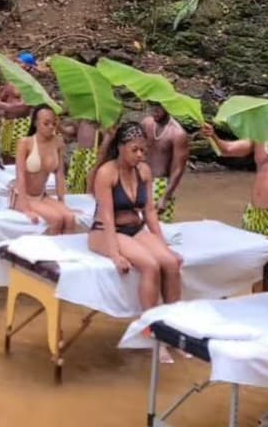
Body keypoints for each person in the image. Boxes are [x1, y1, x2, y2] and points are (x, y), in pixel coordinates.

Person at [88, 122, 183, 362]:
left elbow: (149, 212)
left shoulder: (144, 171)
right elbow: (107, 217)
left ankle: (174, 329)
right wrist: (115, 254)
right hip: (105, 231)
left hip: (135, 227)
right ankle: (152, 332)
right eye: (135, 150)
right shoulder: (106, 173)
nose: (140, 155)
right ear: (121, 147)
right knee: (150, 266)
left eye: (143, 150)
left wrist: (163, 245)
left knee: (170, 262)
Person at [201, 122, 268, 288]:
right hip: (254, 212)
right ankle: (258, 310)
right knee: (255, 271)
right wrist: (213, 135)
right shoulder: (259, 138)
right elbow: (227, 150)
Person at [12, 106, 78, 234]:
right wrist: (25, 207)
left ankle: (66, 251)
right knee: (56, 219)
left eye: (53, 123)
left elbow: (59, 174)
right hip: (22, 195)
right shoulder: (25, 143)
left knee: (70, 218)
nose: (51, 127)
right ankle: (50, 253)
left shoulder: (58, 142)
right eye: (46, 123)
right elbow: (20, 174)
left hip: (41, 195)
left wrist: (61, 201)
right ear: (36, 123)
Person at [141, 104, 190, 223]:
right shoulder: (146, 124)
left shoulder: (178, 134)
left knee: (159, 228)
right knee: (136, 226)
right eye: (152, 107)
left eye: (158, 108)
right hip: (140, 179)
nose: (154, 111)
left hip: (160, 185)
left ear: (168, 106)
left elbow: (178, 169)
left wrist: (165, 197)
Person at [0, 51, 36, 162]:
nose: (16, 65)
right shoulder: (10, 83)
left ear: (27, 66)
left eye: (19, 62)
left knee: (19, 156)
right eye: (16, 62)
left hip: (21, 124)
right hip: (8, 123)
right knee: (5, 153)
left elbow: (22, 107)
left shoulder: (30, 84)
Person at [66, 118, 103, 194]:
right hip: (79, 155)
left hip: (92, 155)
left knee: (88, 181)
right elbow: (70, 131)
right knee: (76, 181)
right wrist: (59, 126)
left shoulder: (100, 121)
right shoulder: (82, 120)